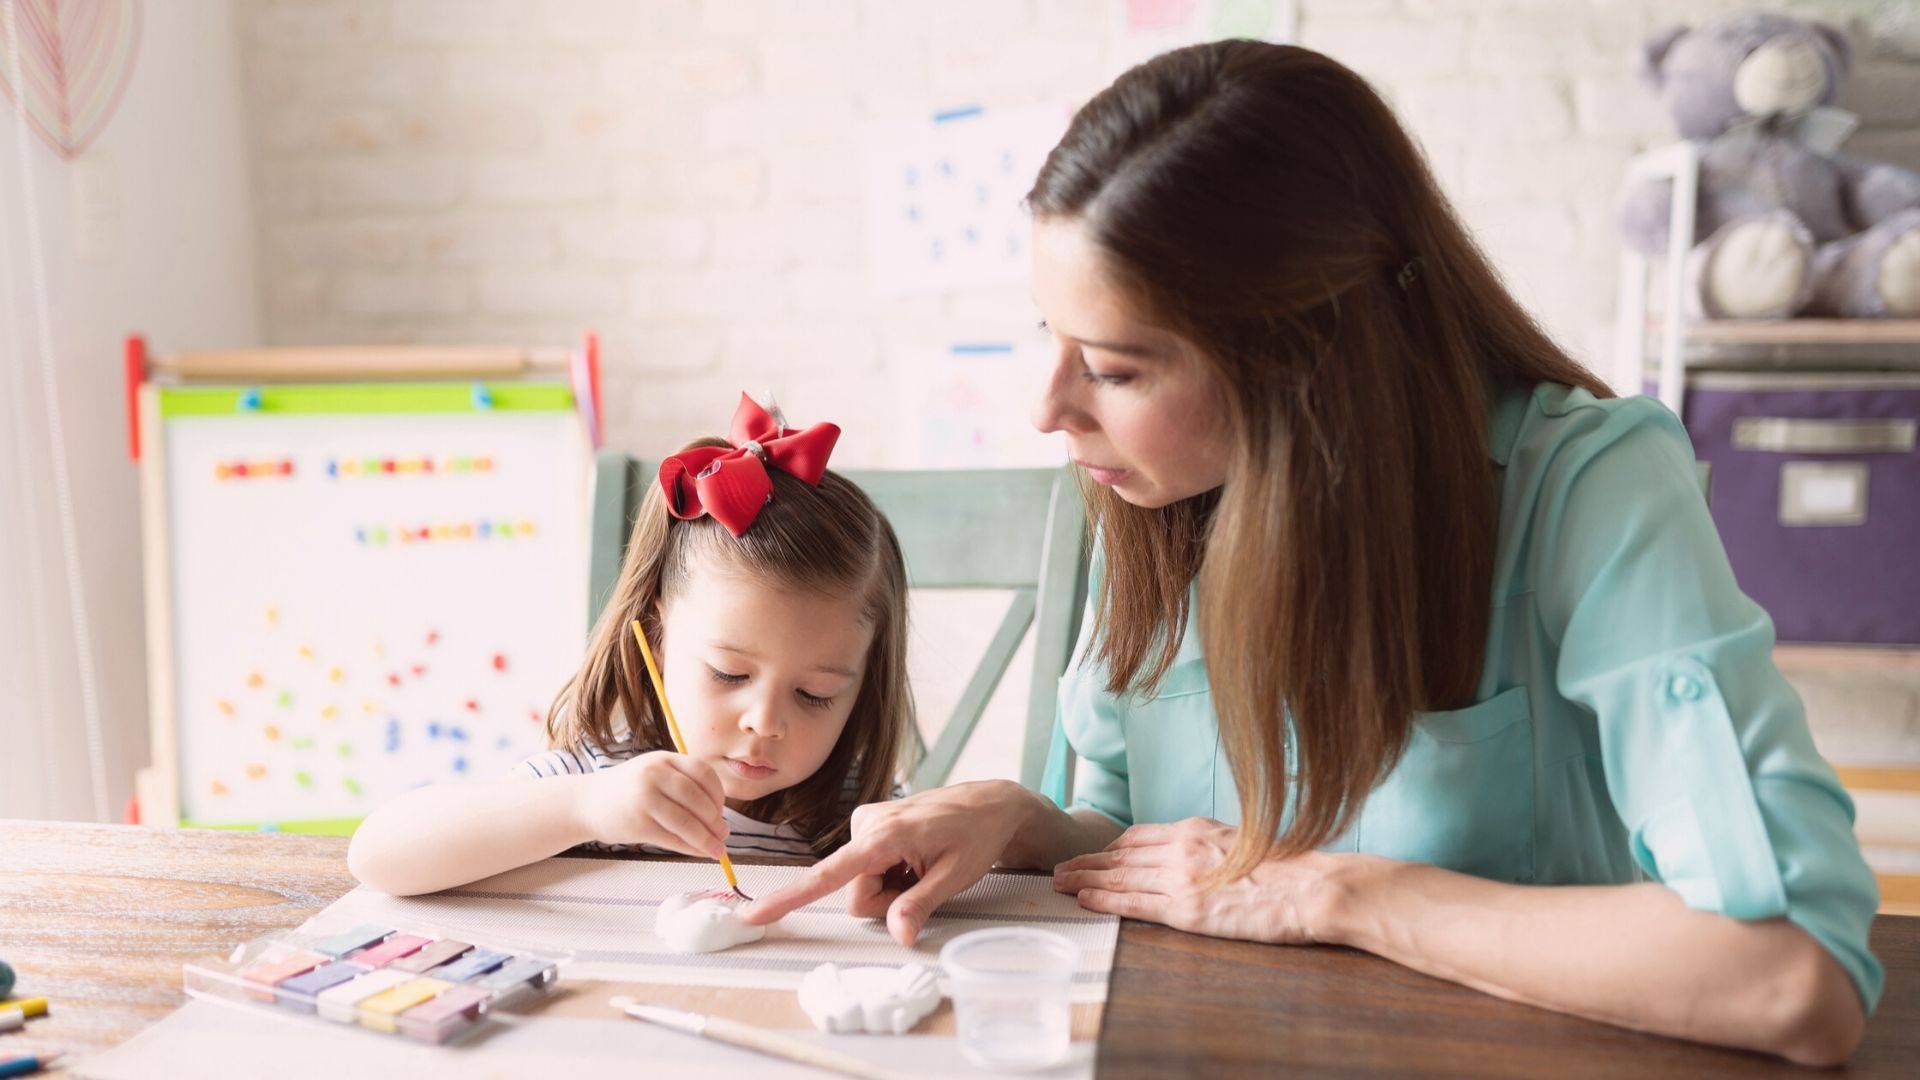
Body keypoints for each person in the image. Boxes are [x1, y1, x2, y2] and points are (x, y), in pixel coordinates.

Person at [742, 42, 1881, 1065]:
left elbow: (1792, 976)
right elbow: (1147, 844)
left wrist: (1337, 894)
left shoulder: (1588, 489)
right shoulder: (1154, 490)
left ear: (1308, 362)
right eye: (1053, 335)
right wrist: (1030, 823)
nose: (1049, 408)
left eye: (1118, 366)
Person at [349, 394, 913, 895]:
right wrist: (585, 808)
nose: (765, 723)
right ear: (659, 634)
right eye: (729, 674)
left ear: (865, 681)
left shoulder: (859, 814)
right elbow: (377, 854)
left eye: (815, 693)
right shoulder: (598, 777)